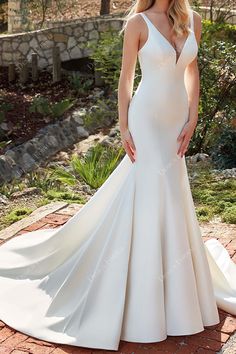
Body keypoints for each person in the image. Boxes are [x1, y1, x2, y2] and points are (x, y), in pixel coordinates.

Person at [0, 0, 235, 351]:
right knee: (149, 190)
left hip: (176, 121)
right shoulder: (138, 23)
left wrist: (193, 117)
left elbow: (191, 71)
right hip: (146, 119)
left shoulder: (193, 20)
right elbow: (126, 78)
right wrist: (124, 125)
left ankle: (174, 290)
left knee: (171, 192)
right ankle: (144, 294)